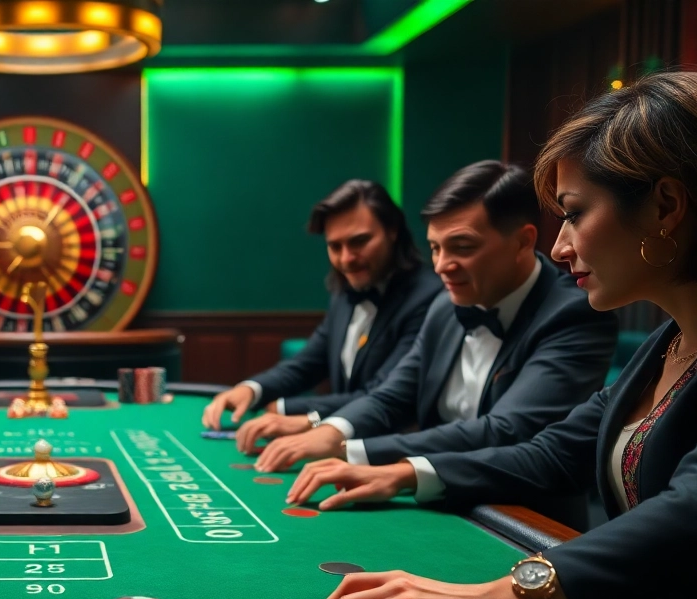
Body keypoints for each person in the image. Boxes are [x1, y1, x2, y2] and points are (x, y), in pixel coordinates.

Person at [296, 71, 697, 599]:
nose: (561, 249)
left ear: (666, 206)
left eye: (576, 212)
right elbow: (552, 452)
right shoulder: (670, 342)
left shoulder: (576, 317)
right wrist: (403, 474)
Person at [252, 163, 619, 524]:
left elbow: (505, 430)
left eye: (461, 247)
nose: (442, 265)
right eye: (435, 248)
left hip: (521, 522)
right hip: (434, 508)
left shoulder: (575, 313)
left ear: (523, 241)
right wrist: (333, 431)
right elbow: (393, 394)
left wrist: (355, 451)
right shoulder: (445, 304)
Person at [202, 180, 442, 447]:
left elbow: (383, 395)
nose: (346, 258)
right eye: (335, 247)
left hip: (392, 453)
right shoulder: (344, 293)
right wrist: (252, 389)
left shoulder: (429, 298)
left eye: (359, 242)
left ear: (393, 230)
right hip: (343, 451)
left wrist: (302, 417)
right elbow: (306, 364)